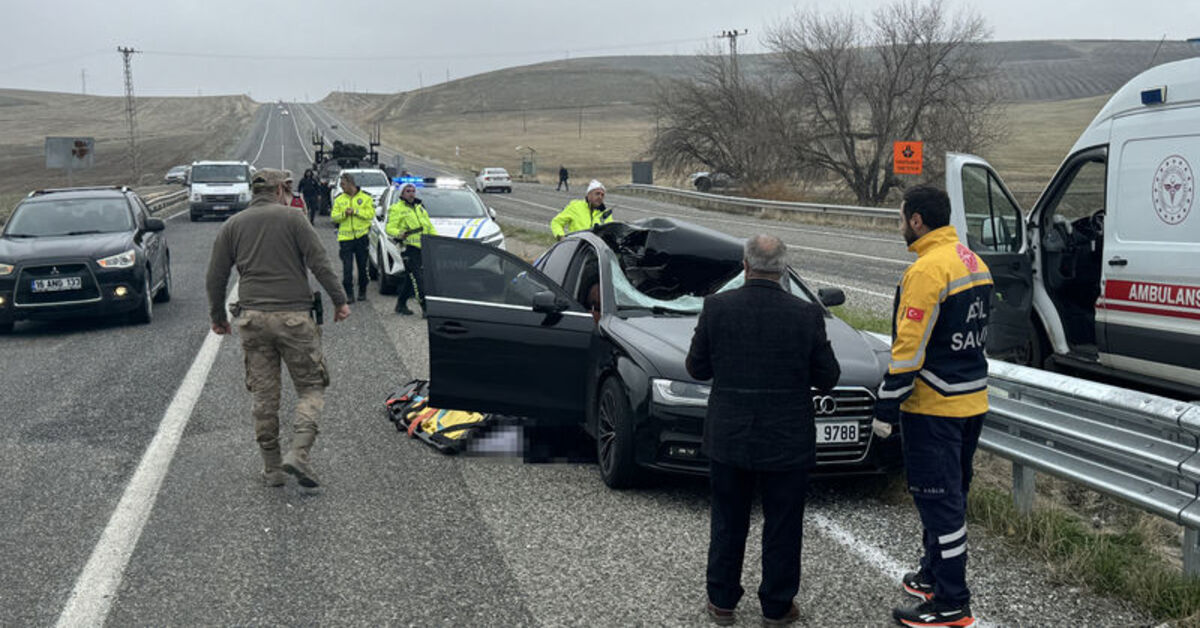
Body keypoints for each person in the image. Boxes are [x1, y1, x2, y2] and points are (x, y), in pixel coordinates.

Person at [685, 235, 840, 627]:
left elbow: (696, 368)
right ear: (783, 268)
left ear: (745, 265)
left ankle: (722, 602)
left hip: (729, 434)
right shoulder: (806, 315)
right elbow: (828, 378)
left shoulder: (717, 308)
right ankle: (776, 606)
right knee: (784, 525)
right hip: (787, 439)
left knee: (727, 520)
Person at [873, 185, 993, 628]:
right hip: (972, 399)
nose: (900, 225)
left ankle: (950, 602)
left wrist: (885, 406)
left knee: (938, 503)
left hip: (934, 407)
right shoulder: (972, 261)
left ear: (918, 220)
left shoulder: (926, 270)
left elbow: (909, 348)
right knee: (951, 497)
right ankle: (930, 574)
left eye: (902, 217)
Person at [205, 168, 351, 489]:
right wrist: (339, 300)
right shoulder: (294, 219)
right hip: (294, 318)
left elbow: (216, 276)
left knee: (264, 395)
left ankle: (272, 468)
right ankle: (299, 453)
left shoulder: (233, 225)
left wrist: (218, 316)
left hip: (253, 320)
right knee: (311, 386)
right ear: (281, 189)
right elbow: (319, 262)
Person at [386, 181, 438, 315]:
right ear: (402, 193)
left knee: (410, 279)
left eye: (413, 191)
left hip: (423, 248)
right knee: (418, 279)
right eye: (408, 191)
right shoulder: (396, 208)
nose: (411, 193)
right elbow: (390, 228)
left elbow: (429, 227)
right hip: (408, 248)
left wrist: (436, 240)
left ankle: (401, 304)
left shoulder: (420, 208)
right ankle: (426, 308)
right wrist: (399, 233)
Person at [330, 173, 374, 302]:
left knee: (362, 267)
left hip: (361, 237)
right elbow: (334, 217)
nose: (341, 187)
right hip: (345, 239)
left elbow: (370, 214)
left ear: (350, 183)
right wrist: (344, 214)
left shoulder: (365, 198)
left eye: (343, 184)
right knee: (347, 268)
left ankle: (362, 291)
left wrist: (355, 212)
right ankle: (349, 293)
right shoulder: (339, 199)